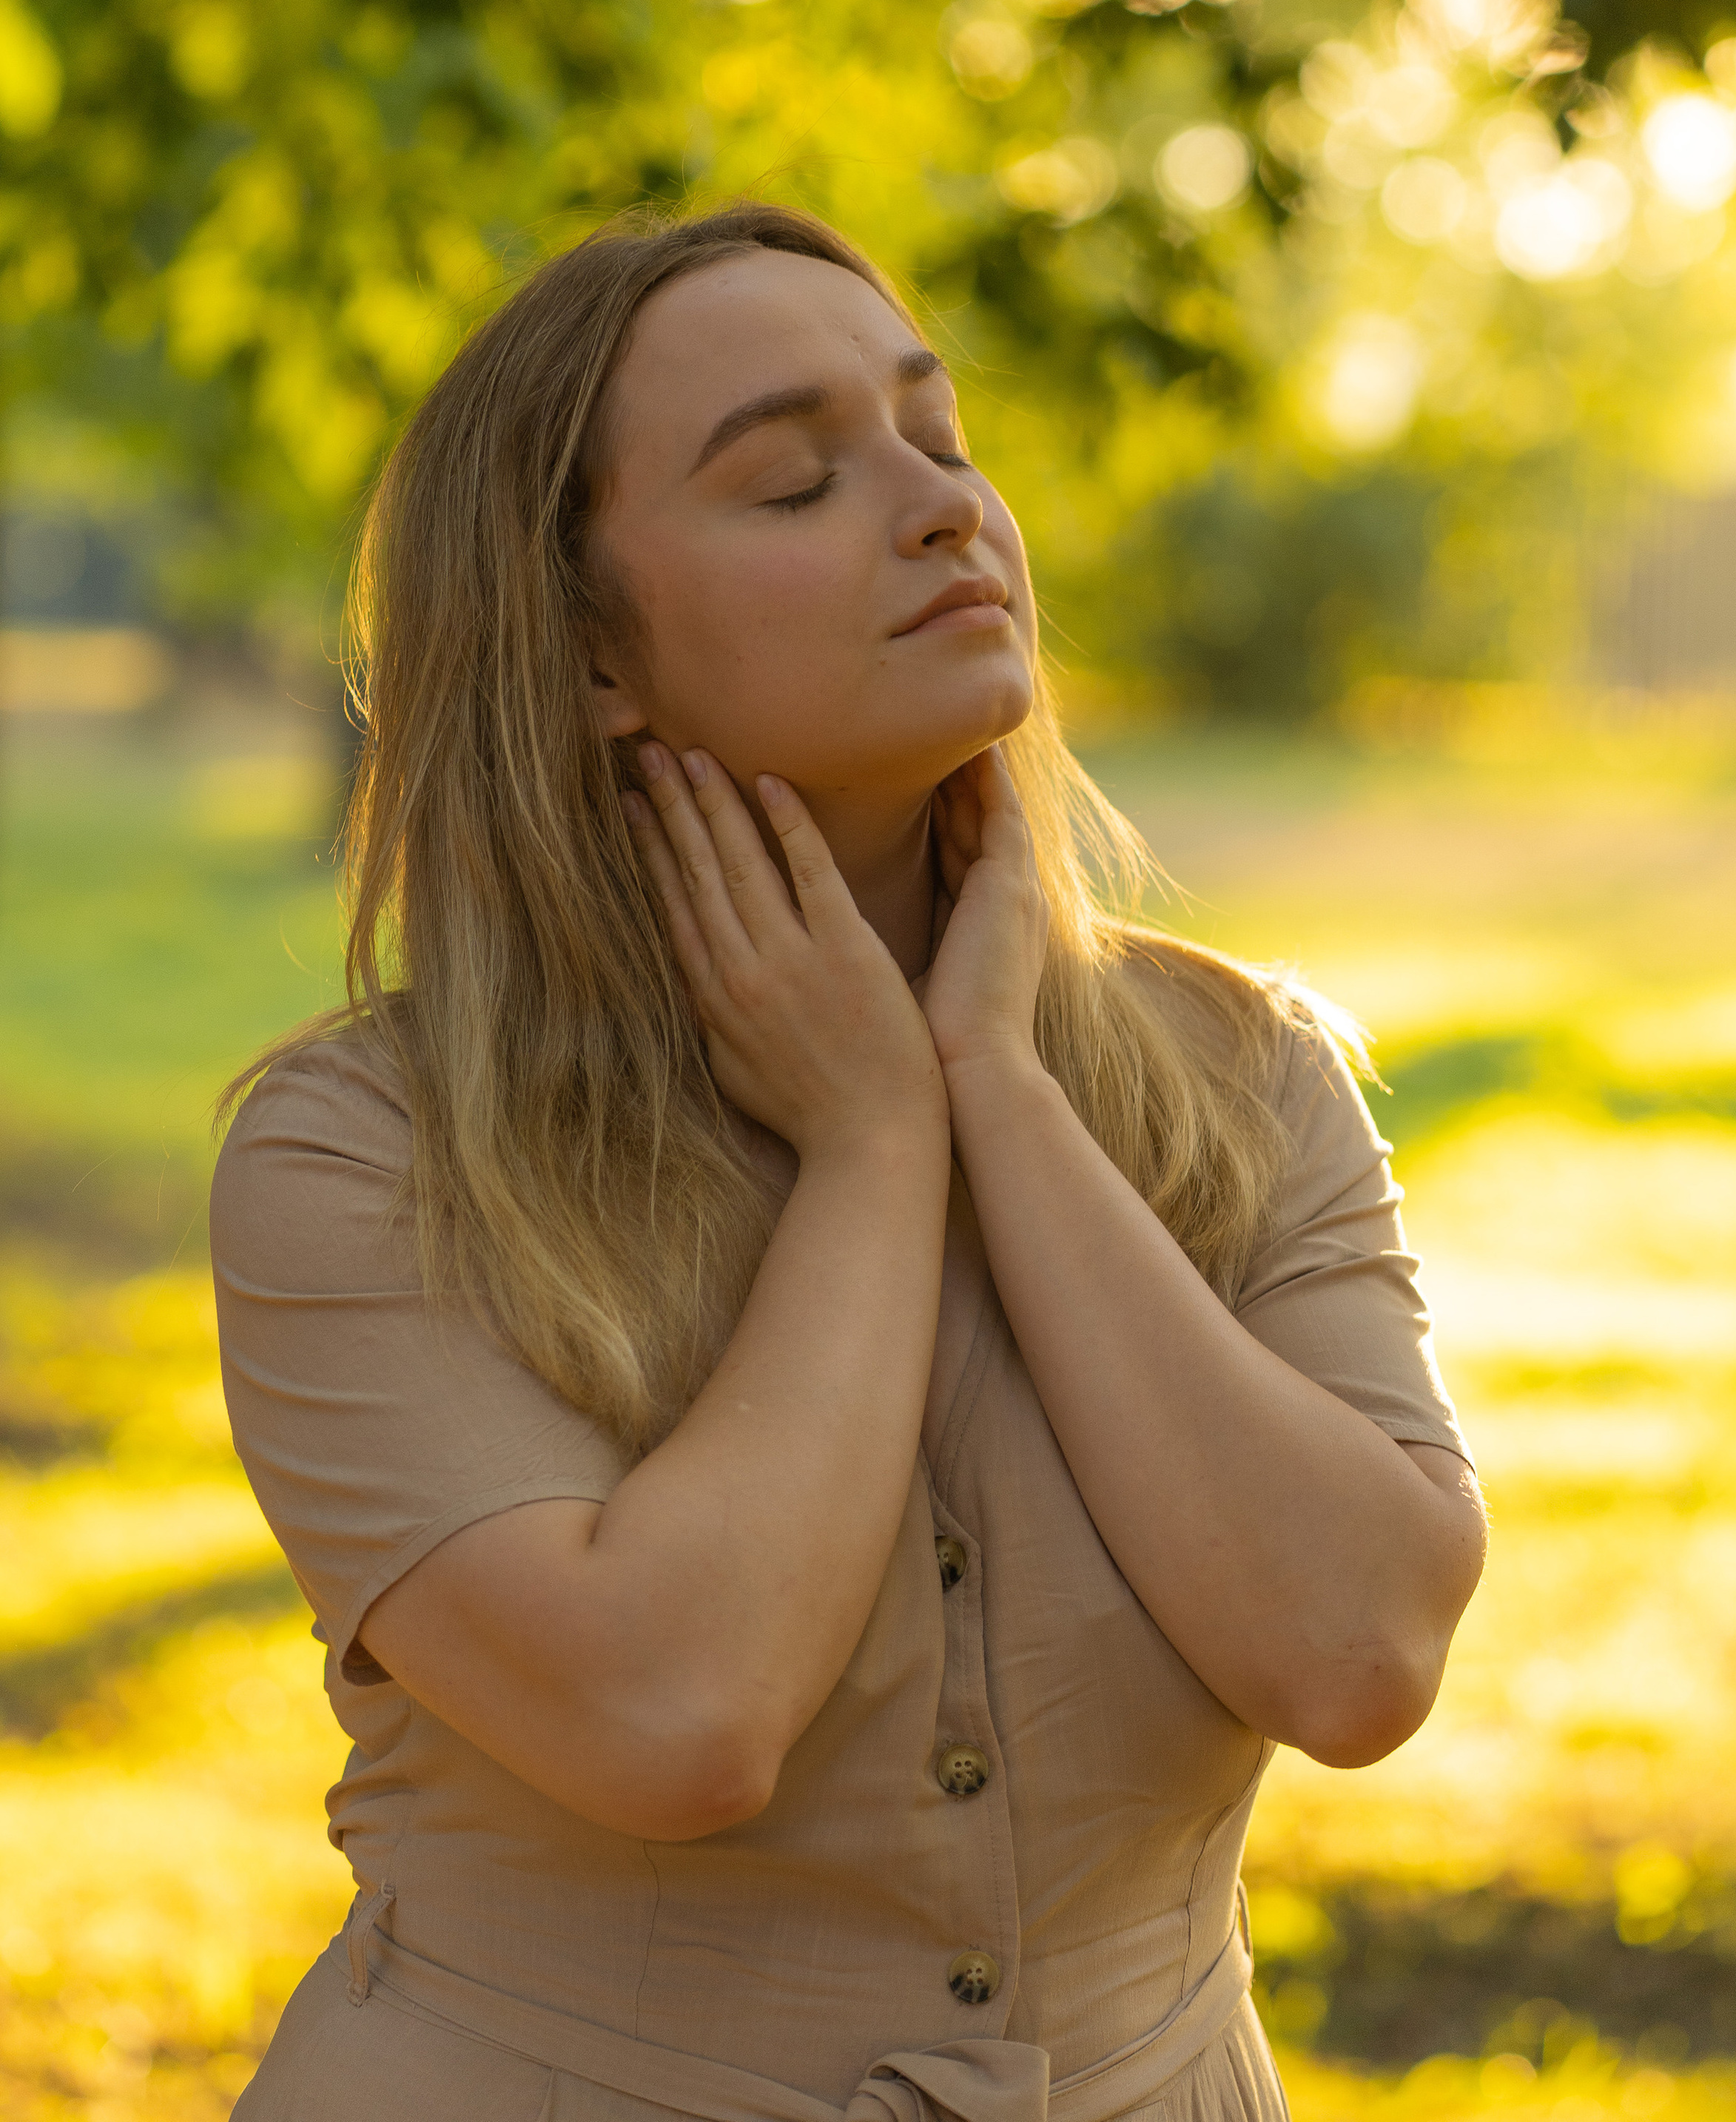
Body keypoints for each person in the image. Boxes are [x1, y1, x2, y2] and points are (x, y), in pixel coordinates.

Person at [212, 202, 1485, 2122]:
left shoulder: (1249, 1073)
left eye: (943, 441)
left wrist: (992, 1079)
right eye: (798, 481)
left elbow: (1360, 1653)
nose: (938, 508)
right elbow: (675, 1713)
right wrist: (877, 1139)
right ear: (585, 660)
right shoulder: (361, 1159)